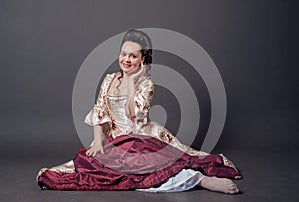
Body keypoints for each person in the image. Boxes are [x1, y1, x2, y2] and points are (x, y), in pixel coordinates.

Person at [37, 29, 241, 194]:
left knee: (152, 167)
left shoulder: (146, 83)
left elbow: (134, 115)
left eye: (133, 56)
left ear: (142, 59)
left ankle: (202, 180)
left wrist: (133, 81)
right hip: (114, 138)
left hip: (140, 136)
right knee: (87, 166)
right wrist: (98, 141)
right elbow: (100, 111)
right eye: (123, 53)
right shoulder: (109, 79)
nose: (126, 59)